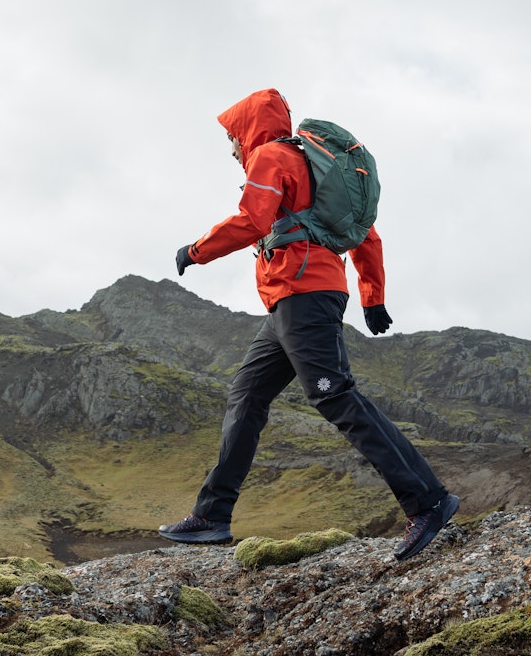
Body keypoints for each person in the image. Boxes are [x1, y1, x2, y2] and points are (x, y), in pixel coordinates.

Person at [161, 87, 458, 561]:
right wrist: (371, 296)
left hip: (303, 295)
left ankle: (429, 501)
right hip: (292, 301)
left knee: (334, 395)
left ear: (247, 132)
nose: (231, 149)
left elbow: (252, 221)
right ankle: (212, 516)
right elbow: (366, 233)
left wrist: (195, 251)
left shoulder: (271, 157)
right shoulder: (312, 164)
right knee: (248, 396)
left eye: (232, 138)